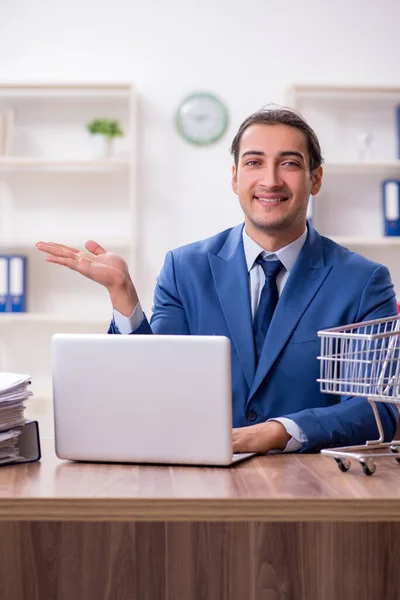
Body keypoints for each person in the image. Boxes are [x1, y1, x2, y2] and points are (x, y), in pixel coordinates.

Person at [36, 106, 398, 454]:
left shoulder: (363, 281)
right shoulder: (184, 268)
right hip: (200, 480)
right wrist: (123, 295)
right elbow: (154, 384)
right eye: (254, 162)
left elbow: (378, 410)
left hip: (314, 486)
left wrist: (277, 432)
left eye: (289, 163)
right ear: (235, 178)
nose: (270, 180)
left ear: (315, 179)